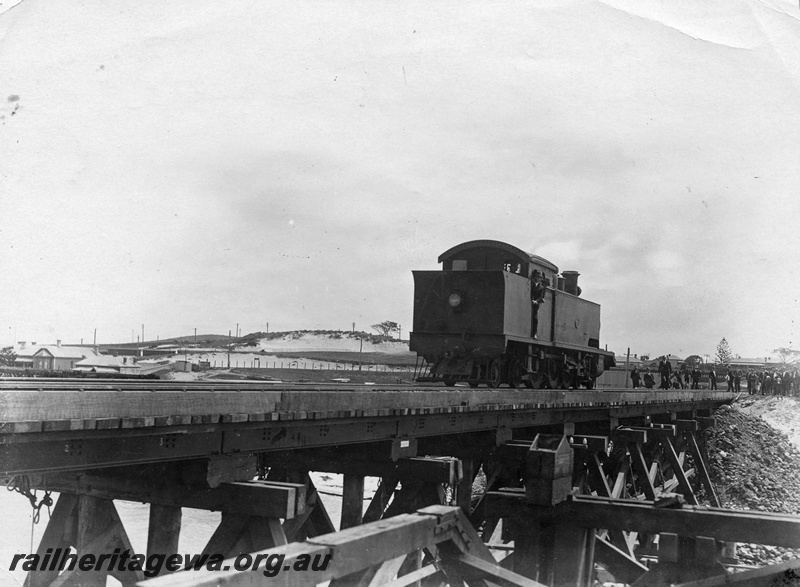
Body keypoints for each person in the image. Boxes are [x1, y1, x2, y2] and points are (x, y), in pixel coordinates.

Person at [530, 270, 546, 338]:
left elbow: (541, 297)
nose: (537, 279)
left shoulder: (541, 287)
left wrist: (536, 301)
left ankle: (534, 333)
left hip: (536, 304)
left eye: (539, 277)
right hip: (530, 301)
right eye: (536, 277)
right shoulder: (531, 284)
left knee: (535, 318)